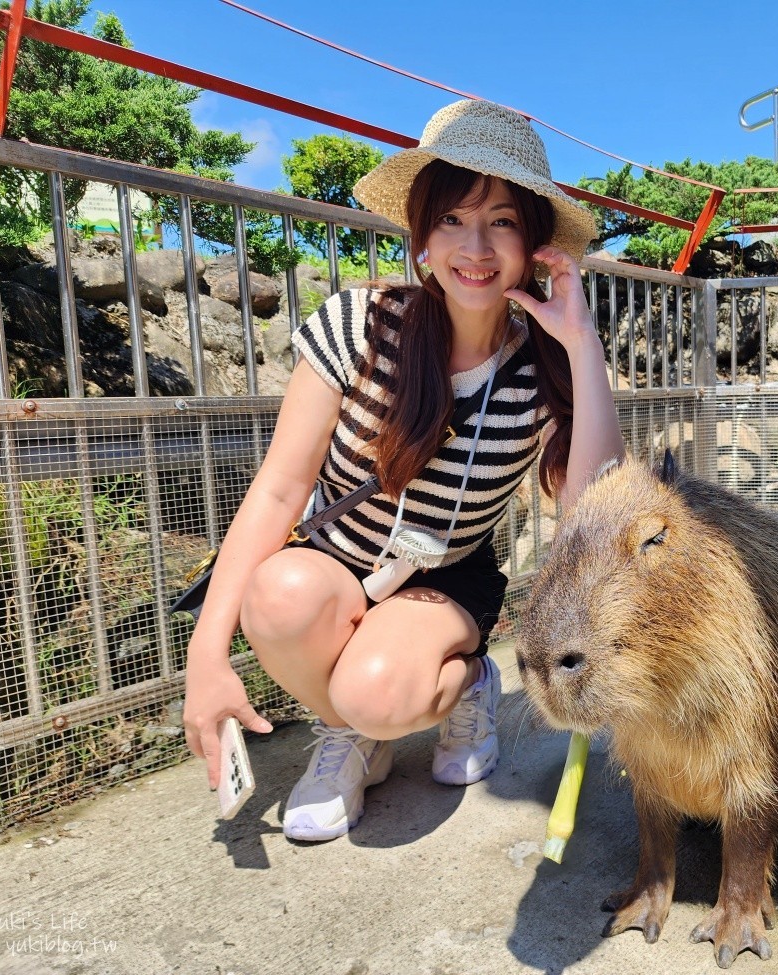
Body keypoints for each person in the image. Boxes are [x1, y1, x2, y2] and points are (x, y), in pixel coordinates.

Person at [181, 99, 623, 842]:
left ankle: (455, 686)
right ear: (421, 233)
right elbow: (281, 487)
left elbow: (590, 510)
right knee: (278, 595)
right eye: (451, 218)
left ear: (534, 244)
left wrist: (582, 345)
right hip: (337, 563)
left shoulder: (541, 366)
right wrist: (206, 656)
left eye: (502, 221)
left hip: (446, 577)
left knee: (378, 691)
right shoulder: (358, 325)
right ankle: (347, 732)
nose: (474, 245)